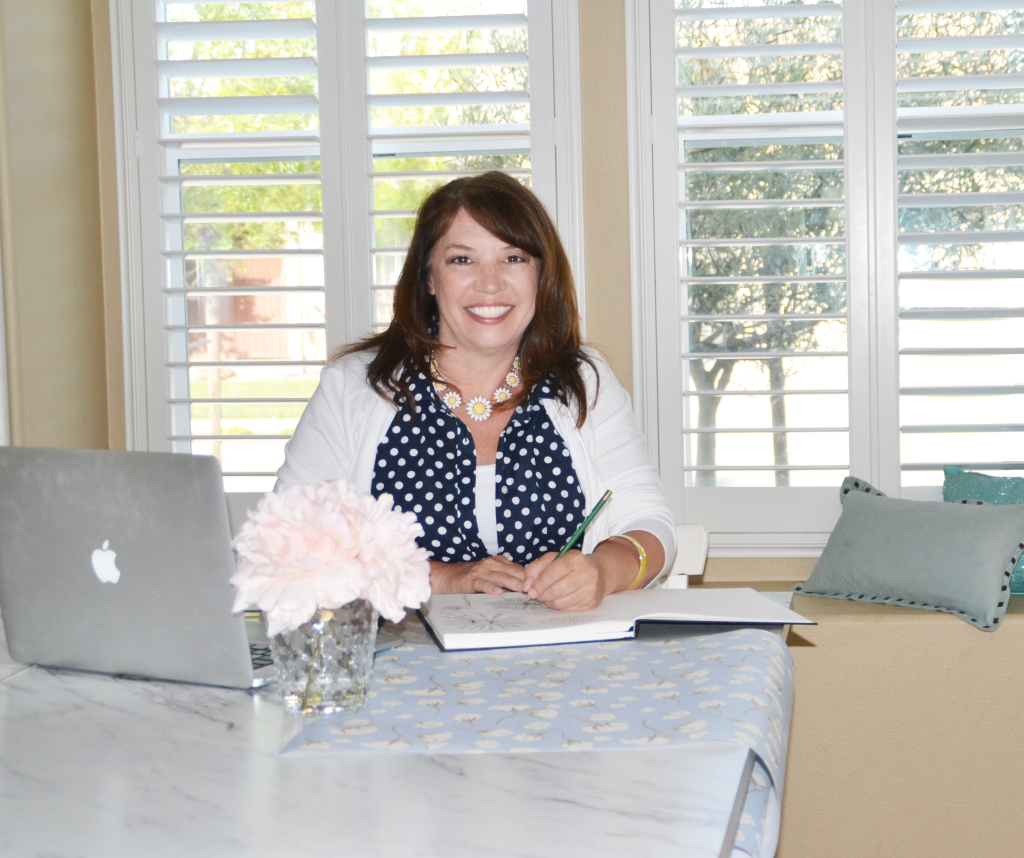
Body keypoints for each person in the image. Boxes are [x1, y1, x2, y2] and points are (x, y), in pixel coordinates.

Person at [276, 171, 676, 611]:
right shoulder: (352, 387)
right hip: (403, 651)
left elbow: (650, 524)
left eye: (514, 258)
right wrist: (443, 577)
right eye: (462, 260)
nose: (490, 283)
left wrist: (602, 571)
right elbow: (287, 543)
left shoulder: (583, 380)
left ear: (541, 276)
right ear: (429, 278)